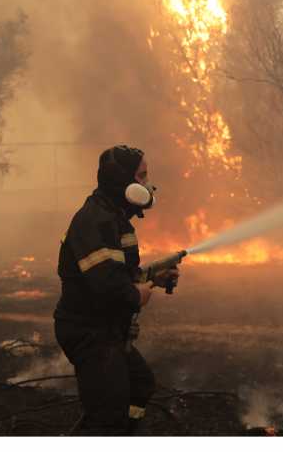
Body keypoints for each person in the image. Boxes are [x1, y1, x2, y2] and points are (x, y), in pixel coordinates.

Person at [54, 145, 180, 435]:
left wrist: (153, 277)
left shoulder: (113, 217)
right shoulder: (95, 221)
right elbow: (106, 285)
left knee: (139, 386)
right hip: (88, 331)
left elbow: (118, 273)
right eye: (142, 176)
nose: (148, 184)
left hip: (106, 328)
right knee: (106, 414)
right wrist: (136, 295)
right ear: (122, 181)